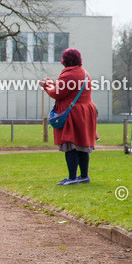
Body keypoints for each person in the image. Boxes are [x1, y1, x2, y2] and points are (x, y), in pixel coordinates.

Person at [41, 47, 98, 186]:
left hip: (73, 113)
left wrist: (46, 86)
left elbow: (58, 93)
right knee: (82, 145)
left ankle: (72, 178)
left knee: (70, 145)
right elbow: (68, 88)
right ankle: (84, 176)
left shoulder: (68, 73)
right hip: (86, 112)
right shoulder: (84, 73)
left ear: (65, 60)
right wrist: (52, 83)